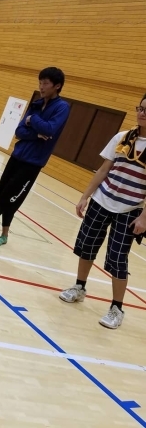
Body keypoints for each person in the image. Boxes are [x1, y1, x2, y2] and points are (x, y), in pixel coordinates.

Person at [59, 96, 146, 329]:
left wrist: (144, 217)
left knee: (117, 258)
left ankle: (117, 308)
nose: (142, 113)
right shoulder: (122, 137)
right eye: (140, 108)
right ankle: (79, 287)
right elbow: (104, 169)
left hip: (129, 210)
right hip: (101, 200)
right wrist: (85, 196)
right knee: (86, 246)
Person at [0, 67, 69, 246]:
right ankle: (4, 235)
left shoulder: (62, 107)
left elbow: (50, 129)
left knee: (9, 198)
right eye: (40, 83)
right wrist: (35, 133)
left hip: (33, 163)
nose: (41, 87)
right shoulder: (36, 103)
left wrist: (31, 121)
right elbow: (19, 131)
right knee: (4, 195)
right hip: (17, 155)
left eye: (46, 84)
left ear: (57, 86)